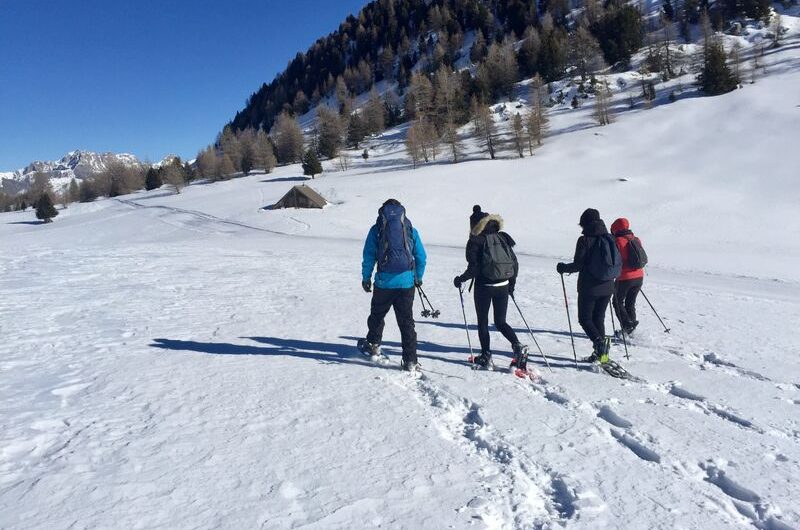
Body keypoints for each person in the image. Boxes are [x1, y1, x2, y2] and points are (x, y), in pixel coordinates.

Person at [453, 205, 528, 371]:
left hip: (484, 286)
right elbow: (514, 263)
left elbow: (474, 268)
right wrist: (511, 285)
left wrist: (461, 279)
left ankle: (486, 355)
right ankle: (517, 346)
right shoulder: (502, 237)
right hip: (503, 284)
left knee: (483, 322)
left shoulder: (475, 240)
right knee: (501, 321)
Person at [360, 199, 427, 372]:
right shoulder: (410, 229)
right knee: (406, 322)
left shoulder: (376, 230)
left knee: (377, 315)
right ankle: (410, 360)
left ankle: (373, 344)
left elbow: (369, 256)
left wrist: (366, 278)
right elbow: (421, 256)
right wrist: (417, 277)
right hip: (406, 283)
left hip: (384, 282)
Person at [556, 208, 621, 364]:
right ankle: (601, 354)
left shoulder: (585, 240)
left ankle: (599, 345)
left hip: (590, 287)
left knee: (585, 319)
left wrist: (563, 268)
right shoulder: (610, 238)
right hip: (608, 285)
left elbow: (579, 265)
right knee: (598, 318)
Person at [611, 218, 645, 335]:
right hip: (639, 276)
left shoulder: (617, 241)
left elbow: (614, 260)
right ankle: (631, 329)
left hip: (624, 277)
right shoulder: (636, 239)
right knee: (630, 303)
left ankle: (627, 326)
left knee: (617, 302)